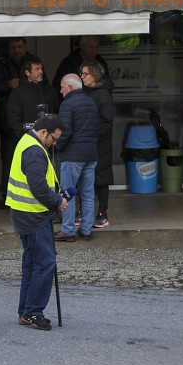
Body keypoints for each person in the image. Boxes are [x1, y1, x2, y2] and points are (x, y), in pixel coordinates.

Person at [7, 114, 68, 330]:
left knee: (32, 263)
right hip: (34, 215)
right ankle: (33, 312)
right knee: (45, 263)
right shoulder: (34, 151)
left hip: (25, 214)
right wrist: (57, 201)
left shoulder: (27, 142)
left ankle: (26, 311)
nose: (55, 143)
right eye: (54, 138)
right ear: (43, 133)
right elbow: (38, 186)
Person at [54, 74, 100, 241]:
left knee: (68, 194)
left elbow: (65, 132)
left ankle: (68, 230)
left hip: (73, 156)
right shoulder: (92, 103)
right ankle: (87, 230)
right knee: (88, 193)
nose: (60, 91)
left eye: (62, 87)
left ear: (70, 88)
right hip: (91, 155)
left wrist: (56, 146)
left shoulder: (67, 104)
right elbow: (98, 129)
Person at [0, 38, 35, 190]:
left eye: (20, 47)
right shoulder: (1, 64)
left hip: (31, 121)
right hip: (8, 123)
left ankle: (31, 193)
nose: (17, 50)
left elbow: (44, 85)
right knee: (9, 160)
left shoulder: (34, 62)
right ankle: (7, 195)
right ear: (8, 49)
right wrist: (8, 85)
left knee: (32, 159)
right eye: (13, 47)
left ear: (25, 47)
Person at [80, 61, 114, 228]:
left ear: (94, 75)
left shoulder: (103, 94)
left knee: (101, 178)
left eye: (85, 74)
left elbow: (107, 122)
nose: (82, 76)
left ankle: (102, 213)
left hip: (100, 144)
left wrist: (93, 137)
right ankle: (84, 212)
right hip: (87, 142)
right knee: (84, 177)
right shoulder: (86, 92)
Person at [5, 54, 58, 137]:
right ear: (27, 72)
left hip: (49, 139)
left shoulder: (50, 91)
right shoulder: (18, 93)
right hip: (27, 139)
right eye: (37, 69)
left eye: (41, 68)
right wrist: (24, 136)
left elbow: (57, 113)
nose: (41, 71)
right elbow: (14, 120)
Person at [54, 35, 110, 102]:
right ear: (82, 46)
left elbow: (108, 83)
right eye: (90, 47)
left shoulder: (100, 62)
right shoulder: (70, 62)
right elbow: (58, 85)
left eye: (96, 47)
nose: (94, 51)